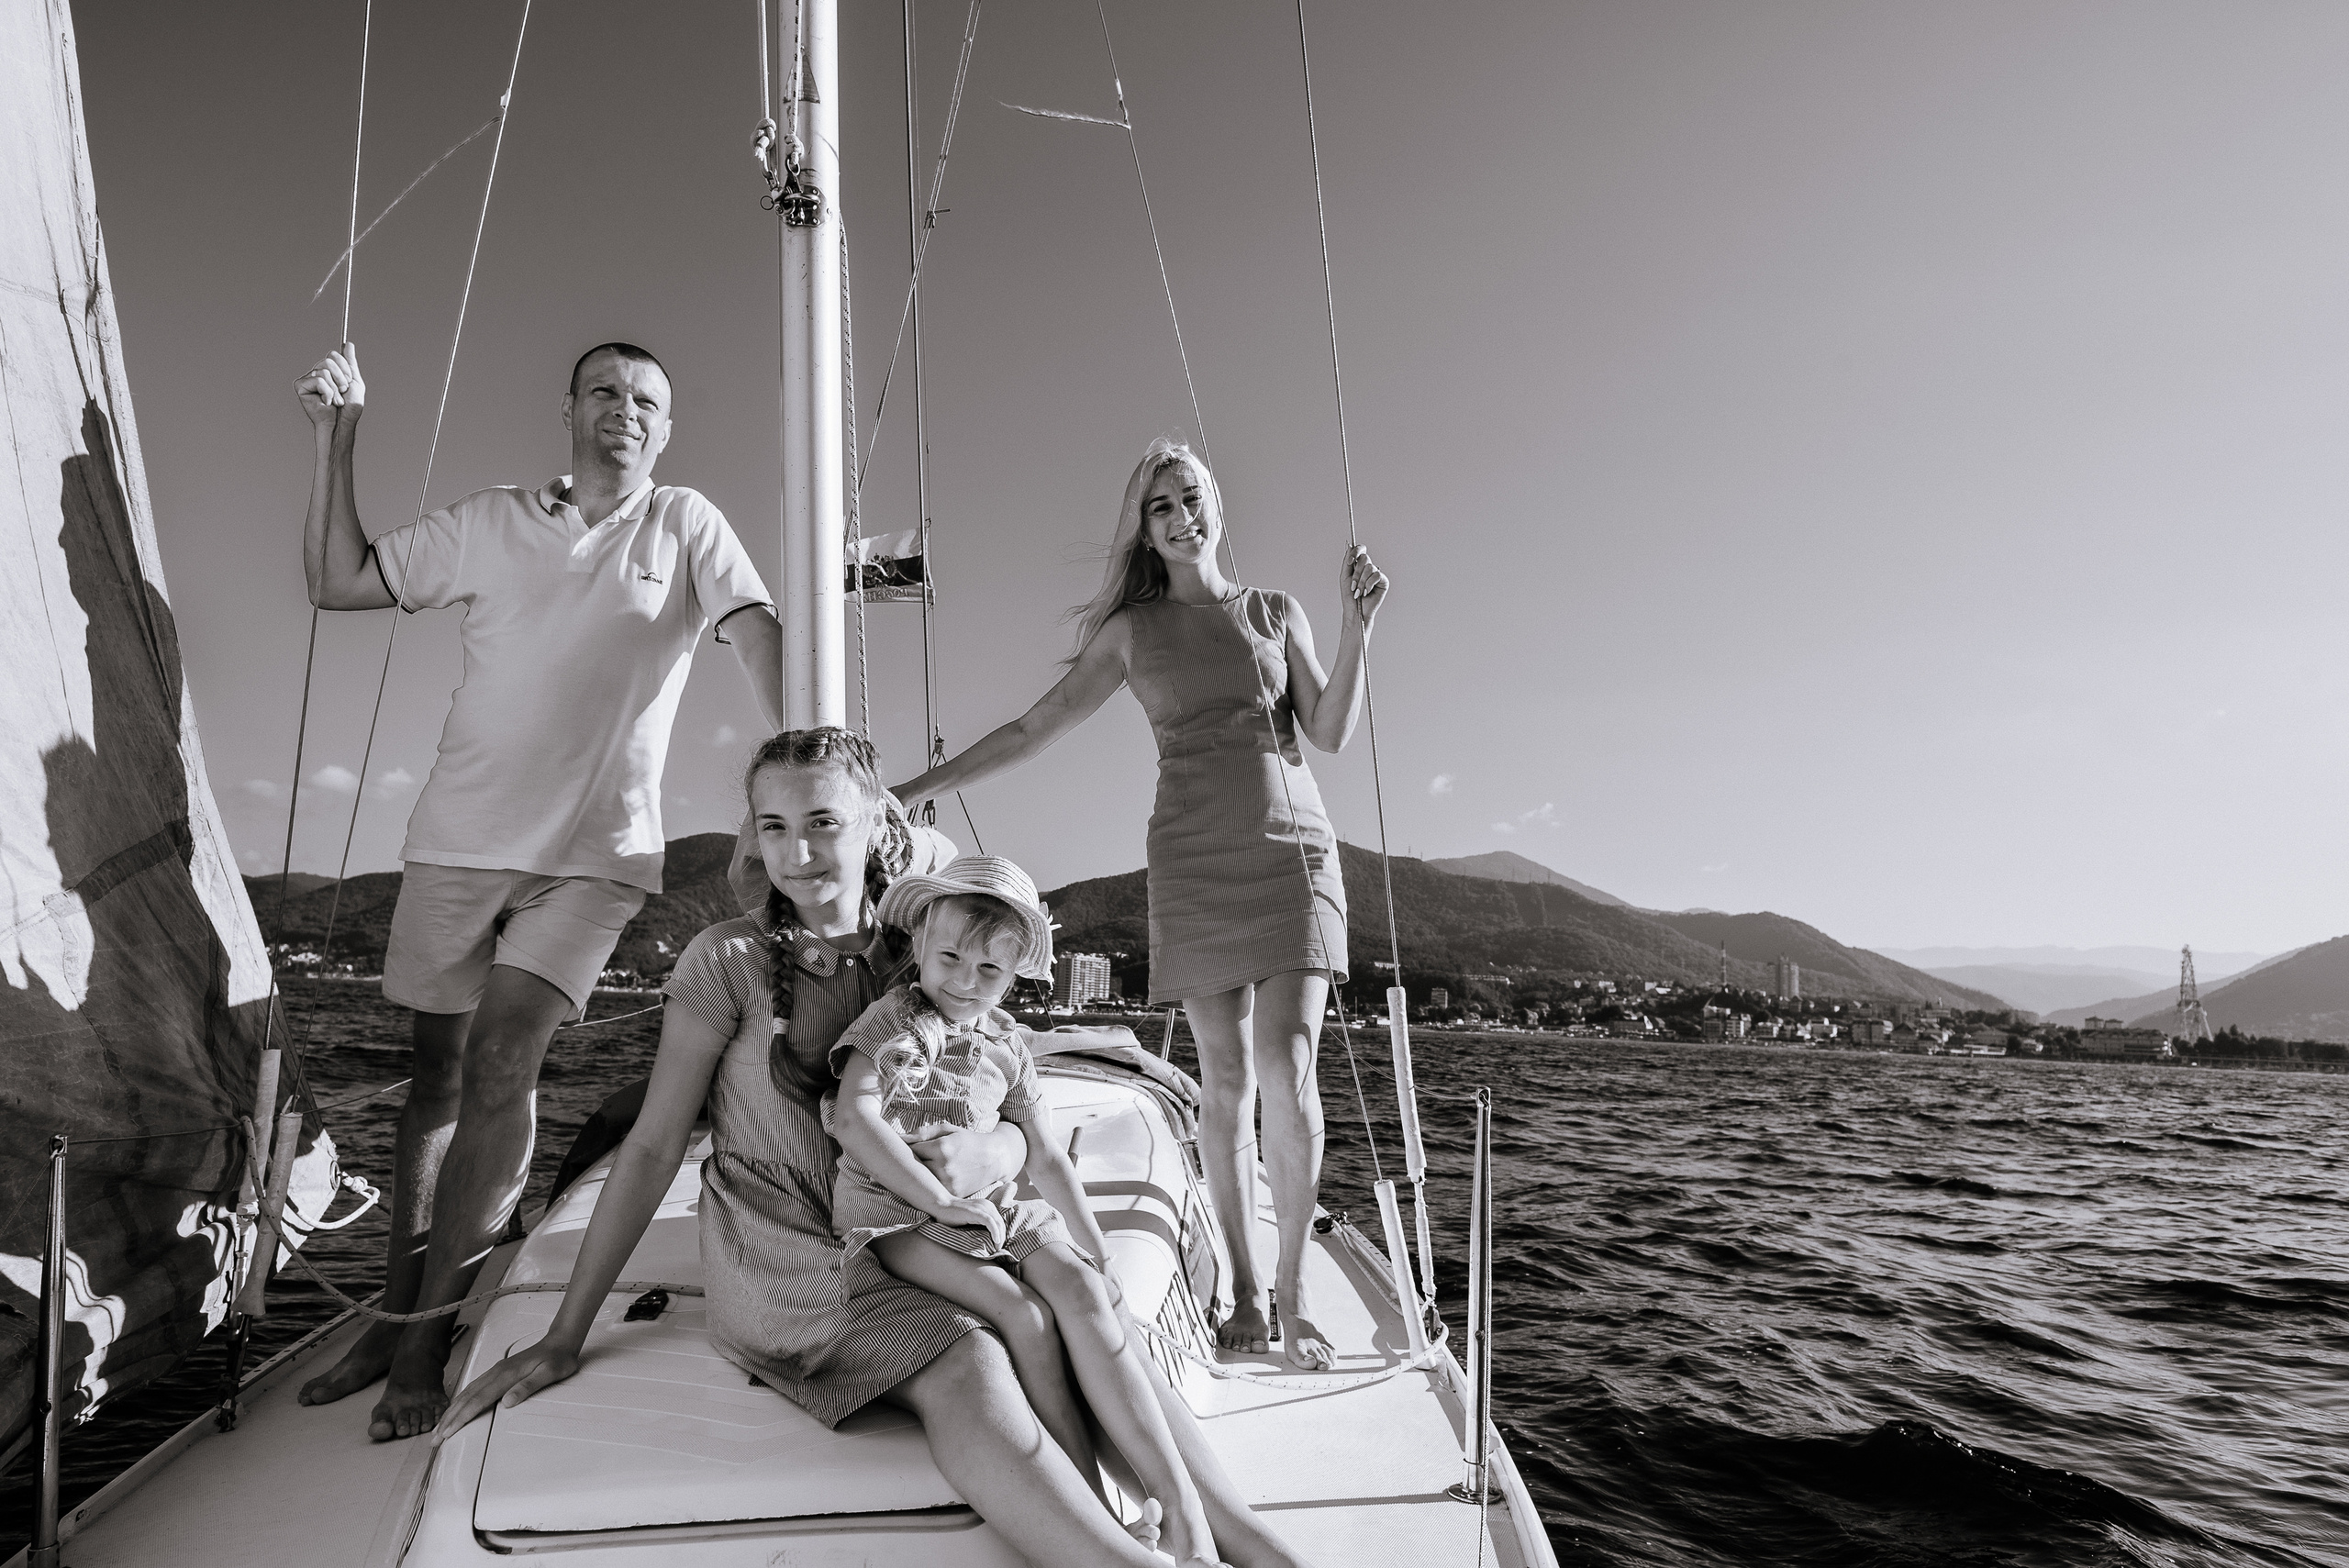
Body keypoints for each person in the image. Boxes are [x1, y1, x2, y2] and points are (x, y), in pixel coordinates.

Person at [435, 728, 1314, 1568]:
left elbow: (1010, 1101)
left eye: (824, 822)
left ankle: (1240, 1538)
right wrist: (565, 1332)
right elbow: (654, 1145)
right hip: (793, 1257)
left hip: (924, 1226)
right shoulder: (727, 959)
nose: (798, 851)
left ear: (879, 826)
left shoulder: (932, 946)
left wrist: (999, 1153)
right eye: (773, 826)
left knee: (1088, 1303)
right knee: (971, 1352)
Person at [288, 340, 786, 1440]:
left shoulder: (686, 524)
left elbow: (753, 627)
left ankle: (426, 1338)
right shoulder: (491, 518)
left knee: (506, 1054)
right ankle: (390, 1310)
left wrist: (800, 749)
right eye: (604, 392)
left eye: (647, 400)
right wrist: (340, 435)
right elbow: (338, 581)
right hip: (459, 839)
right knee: (434, 1077)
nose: (625, 411)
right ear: (568, 408)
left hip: (598, 853)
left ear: (667, 429)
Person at [896, 439, 1388, 1370]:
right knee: (1228, 1077)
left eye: (1190, 497)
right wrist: (917, 784)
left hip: (1295, 857)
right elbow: (1035, 727)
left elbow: (1324, 730)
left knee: (1287, 1067)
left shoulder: (1274, 612)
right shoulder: (1129, 630)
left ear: (1214, 505)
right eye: (1159, 505)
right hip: (1195, 859)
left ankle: (1290, 1293)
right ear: (1145, 527)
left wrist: (1358, 624)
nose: (1180, 516)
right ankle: (1242, 1286)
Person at [829, 854, 1223, 1566]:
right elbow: (855, 1119)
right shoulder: (892, 1023)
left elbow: (1046, 1157)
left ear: (1015, 977)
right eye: (948, 957)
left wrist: (1099, 1256)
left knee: (1083, 1291)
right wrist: (940, 1200)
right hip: (894, 1214)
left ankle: (1183, 1507)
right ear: (918, 943)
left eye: (990, 972)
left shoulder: (1007, 1045)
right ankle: (1095, 1513)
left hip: (990, 1209)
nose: (963, 981)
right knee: (1023, 1314)